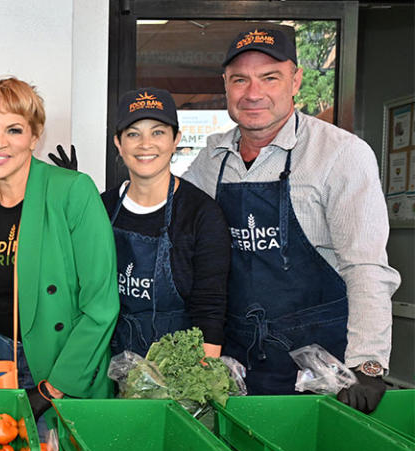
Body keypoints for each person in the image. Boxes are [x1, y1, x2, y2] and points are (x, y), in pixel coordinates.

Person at [182, 27, 401, 412]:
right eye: (240, 80)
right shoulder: (211, 159)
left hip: (317, 367)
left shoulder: (340, 154)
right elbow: (170, 224)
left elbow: (365, 266)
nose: (253, 93)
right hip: (233, 364)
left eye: (270, 77)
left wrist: (367, 364)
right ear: (226, 86)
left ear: (296, 80)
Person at [0, 77, 118, 422]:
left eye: (14, 130)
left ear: (35, 135)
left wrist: (52, 387)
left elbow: (101, 306)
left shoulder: (73, 191)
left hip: (62, 362)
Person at [103, 88, 231, 358]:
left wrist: (199, 383)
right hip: (109, 365)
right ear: (118, 143)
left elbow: (210, 307)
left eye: (158, 132)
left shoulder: (202, 214)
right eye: (133, 134)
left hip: (178, 368)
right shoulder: (101, 209)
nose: (145, 144)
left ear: (176, 140)